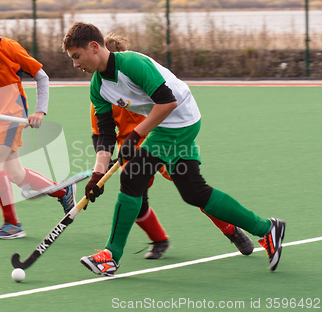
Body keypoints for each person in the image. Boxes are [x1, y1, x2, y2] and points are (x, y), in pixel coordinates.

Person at [62, 22, 285, 276]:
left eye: (76, 56)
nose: (75, 64)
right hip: (163, 124)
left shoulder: (132, 64)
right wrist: (97, 176)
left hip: (181, 118)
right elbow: (104, 137)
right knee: (194, 192)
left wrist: (137, 134)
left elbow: (168, 102)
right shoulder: (97, 87)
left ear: (93, 47)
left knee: (132, 176)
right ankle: (268, 229)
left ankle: (111, 255)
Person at [87, 33, 254, 259]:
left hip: (163, 135)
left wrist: (138, 143)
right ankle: (159, 240)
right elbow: (102, 136)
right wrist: (100, 170)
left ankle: (231, 228)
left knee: (191, 189)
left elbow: (163, 108)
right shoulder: (103, 94)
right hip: (132, 150)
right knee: (137, 197)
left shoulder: (137, 78)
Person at [0, 1, 76, 239]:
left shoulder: (11, 48)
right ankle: (63, 192)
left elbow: (41, 77)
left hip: (12, 113)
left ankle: (12, 225)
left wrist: (40, 111)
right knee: (14, 173)